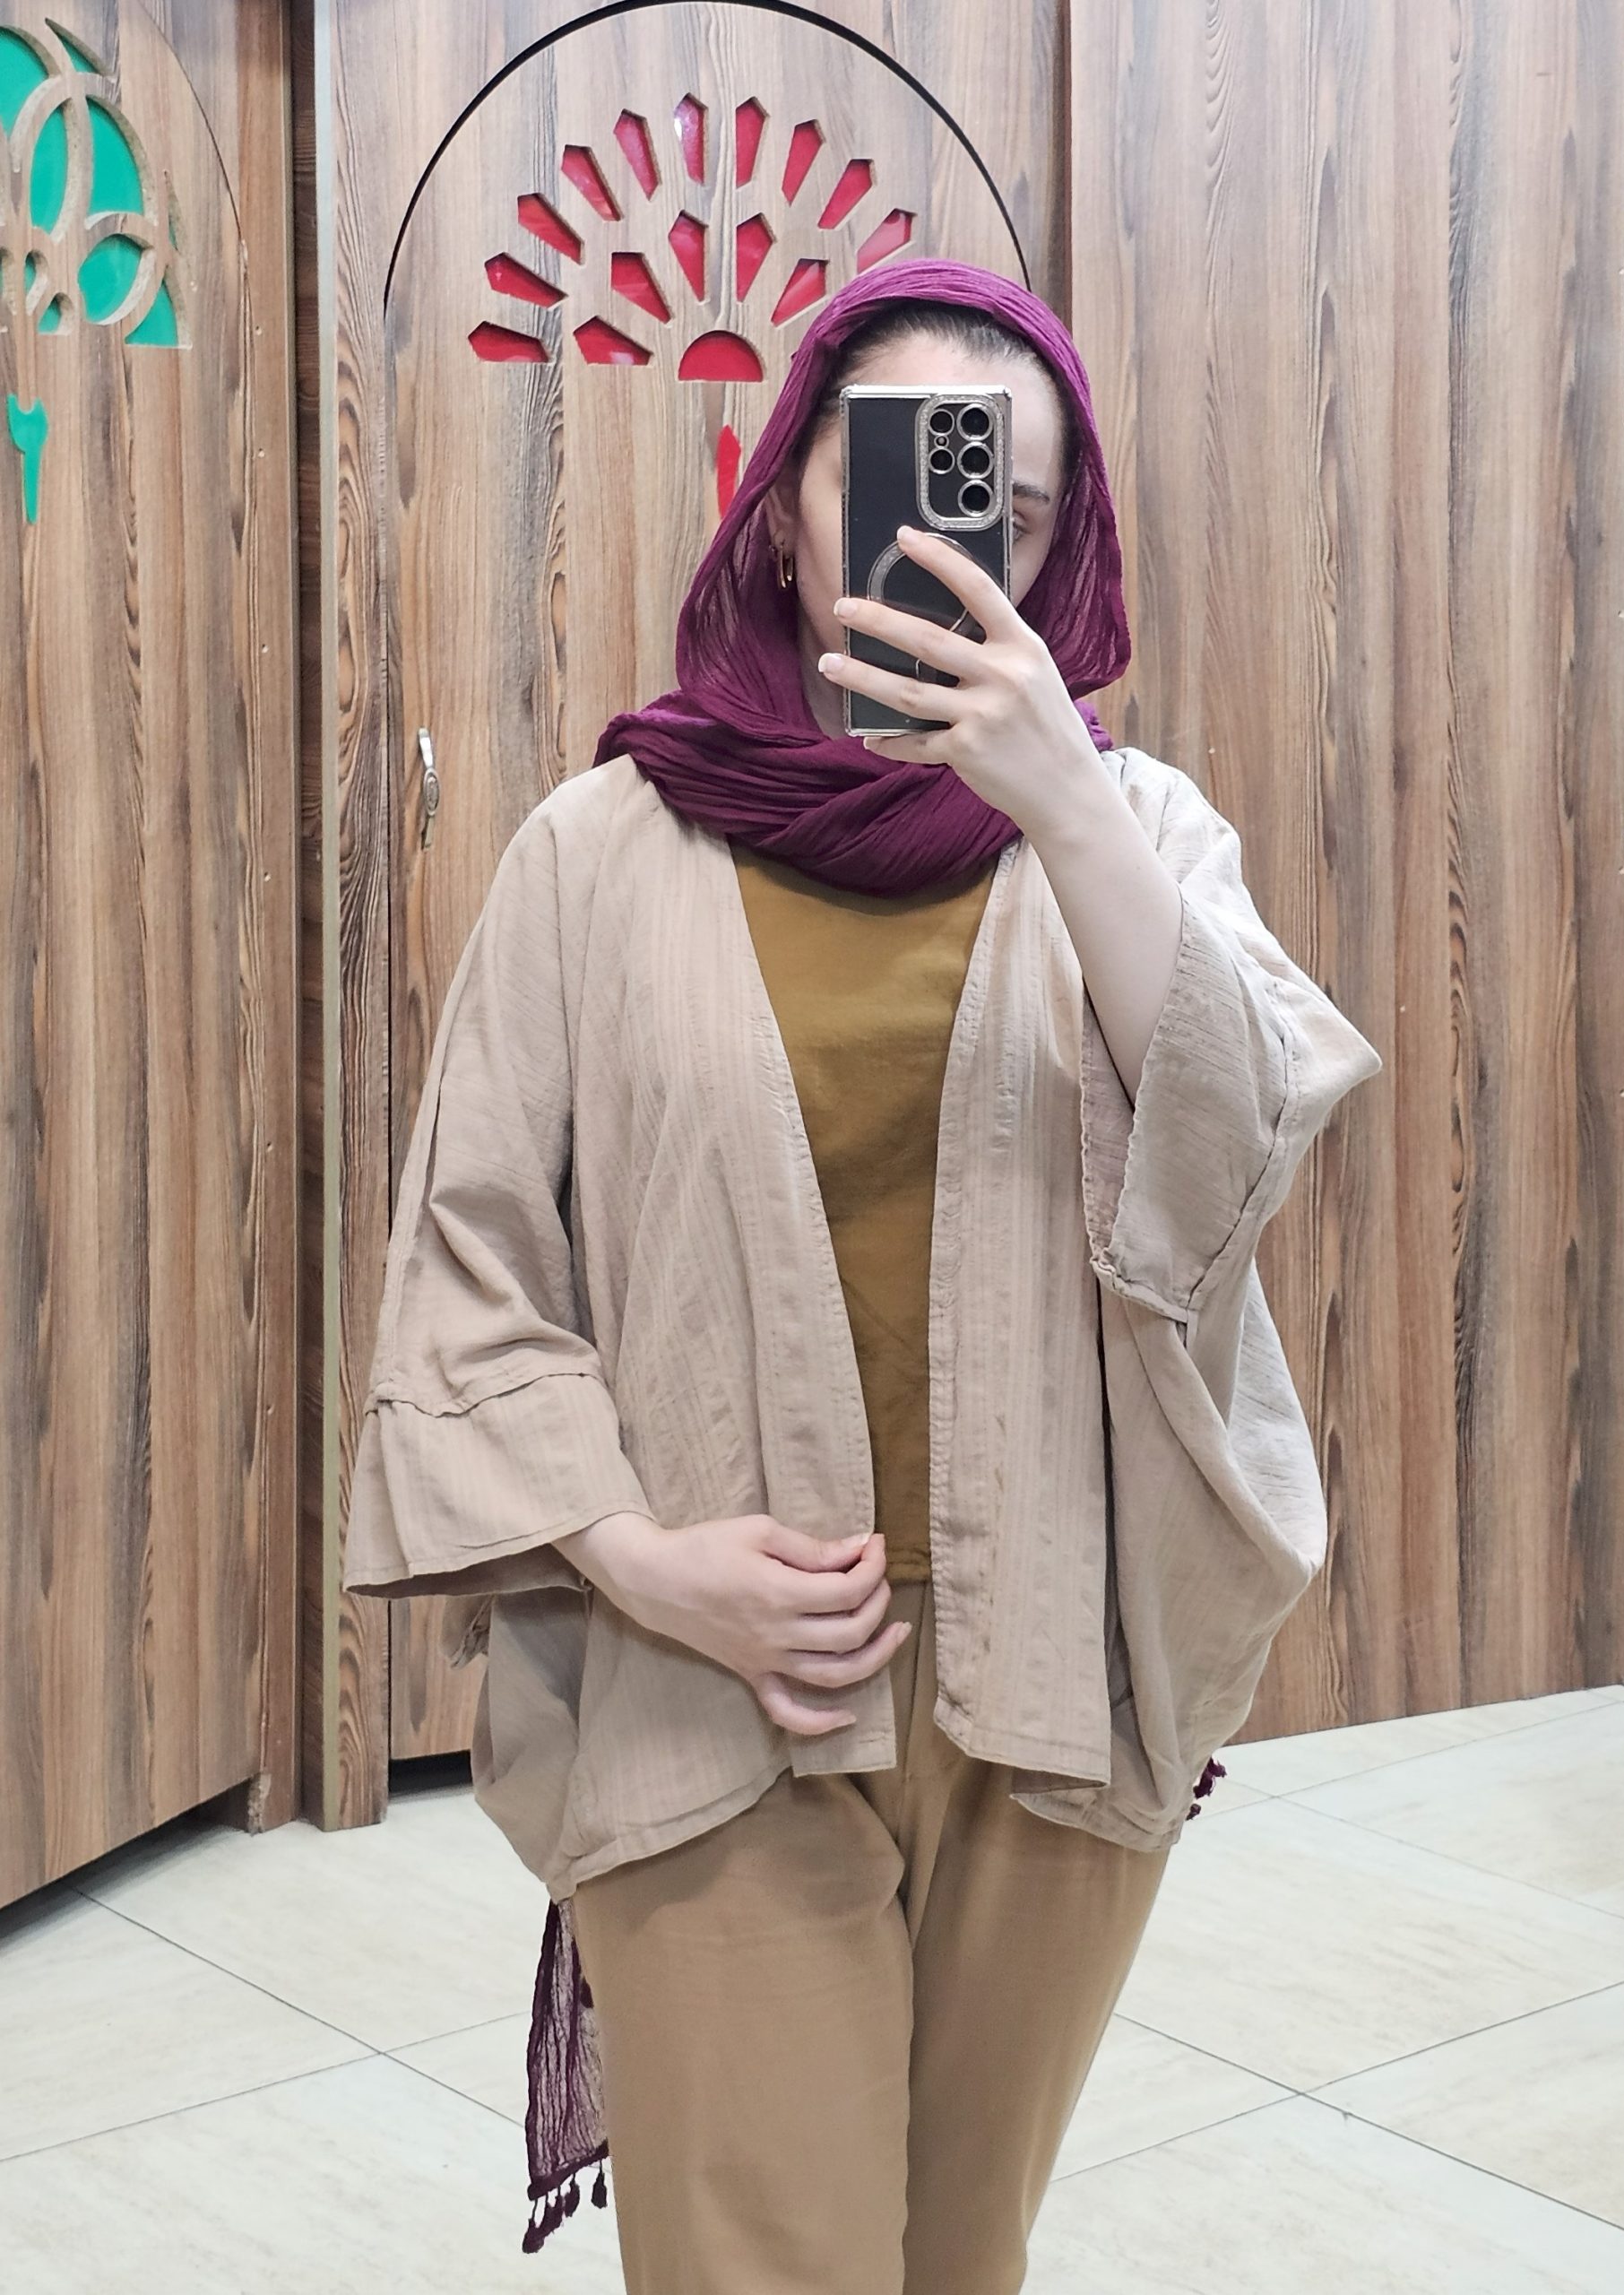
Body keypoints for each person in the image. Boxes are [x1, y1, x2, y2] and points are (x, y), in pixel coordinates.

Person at [341, 257, 1383, 2293]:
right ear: (786, 511)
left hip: (1052, 1676)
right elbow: (468, 1255)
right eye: (887, 472)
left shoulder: (1135, 830)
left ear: (1062, 551)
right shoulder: (598, 852)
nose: (945, 538)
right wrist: (640, 1563)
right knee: (761, 2260)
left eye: (1011, 504)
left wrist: (1061, 800)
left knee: (953, 2254)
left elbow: (1244, 1147)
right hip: (714, 1677)